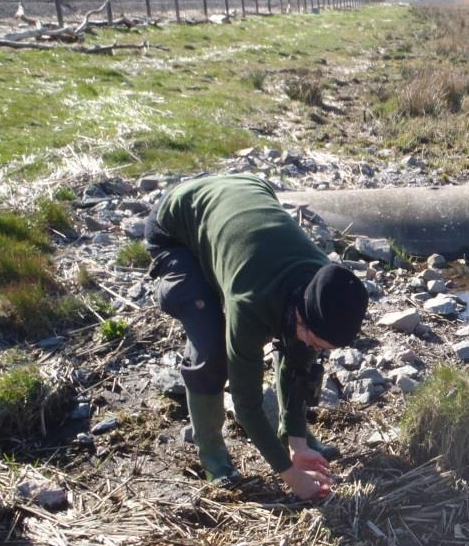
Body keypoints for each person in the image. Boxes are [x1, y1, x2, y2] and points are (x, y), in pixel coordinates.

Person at [145, 173, 368, 500]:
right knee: (212, 347)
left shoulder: (324, 289)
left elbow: (298, 366)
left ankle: (288, 435)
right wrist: (291, 476)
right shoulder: (250, 301)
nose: (314, 349)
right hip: (177, 225)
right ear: (298, 312)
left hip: (249, 195)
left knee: (299, 350)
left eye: (323, 348)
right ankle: (213, 457)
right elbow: (246, 402)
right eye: (315, 342)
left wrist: (296, 442)